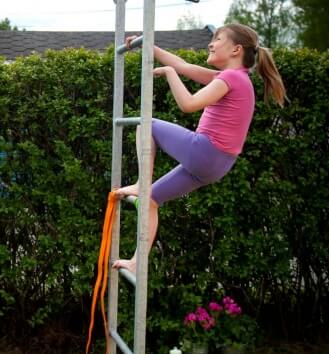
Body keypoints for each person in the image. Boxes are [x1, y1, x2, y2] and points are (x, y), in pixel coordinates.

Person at [113, 23, 286, 274]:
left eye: (217, 39)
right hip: (217, 165)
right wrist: (147, 45)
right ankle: (137, 262)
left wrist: (170, 73)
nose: (211, 43)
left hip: (206, 151)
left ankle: (142, 182)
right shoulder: (235, 78)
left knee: (146, 124)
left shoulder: (229, 78)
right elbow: (184, 65)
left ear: (236, 49)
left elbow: (188, 104)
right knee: (150, 201)